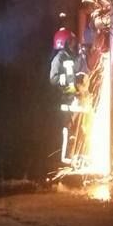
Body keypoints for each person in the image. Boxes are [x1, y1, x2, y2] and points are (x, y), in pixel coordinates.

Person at [48, 27, 87, 166]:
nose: (73, 43)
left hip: (76, 99)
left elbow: (81, 71)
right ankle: (66, 159)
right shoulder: (58, 59)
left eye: (73, 40)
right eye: (71, 41)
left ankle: (78, 156)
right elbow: (53, 79)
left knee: (80, 128)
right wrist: (67, 80)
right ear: (63, 43)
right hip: (65, 100)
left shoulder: (75, 56)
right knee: (68, 129)